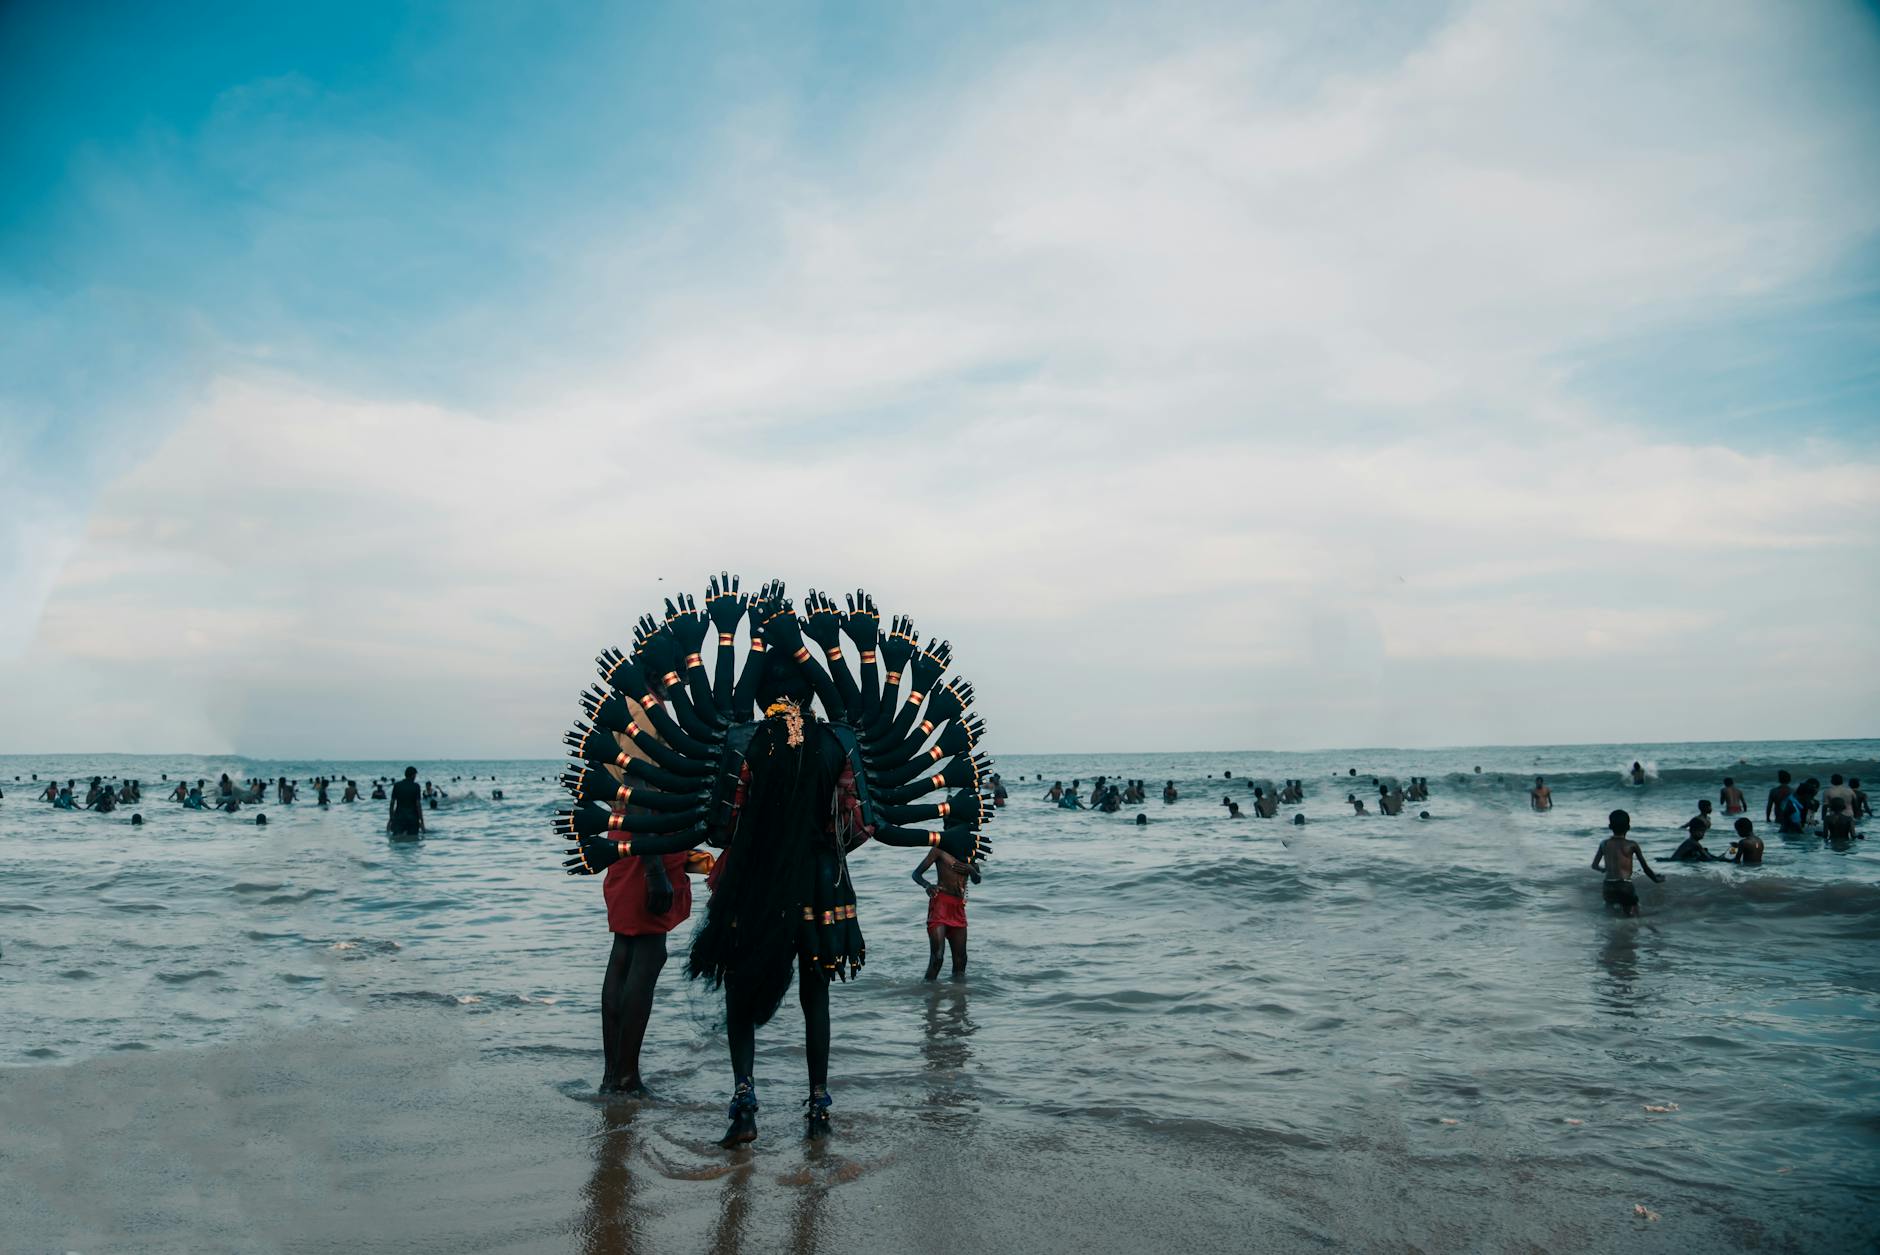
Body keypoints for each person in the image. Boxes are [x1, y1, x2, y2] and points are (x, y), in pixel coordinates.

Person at [598, 832, 694, 1096]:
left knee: (625, 953)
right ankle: (626, 1077)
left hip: (630, 845)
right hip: (648, 848)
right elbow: (641, 797)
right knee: (646, 956)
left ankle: (614, 1076)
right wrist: (654, 870)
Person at [914, 845, 980, 981]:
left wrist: (971, 870)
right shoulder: (939, 850)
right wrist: (927, 885)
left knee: (961, 960)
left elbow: (977, 880)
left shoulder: (969, 851)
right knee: (937, 958)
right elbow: (916, 874)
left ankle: (959, 996)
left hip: (958, 907)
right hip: (940, 906)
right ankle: (929, 995)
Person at [1592, 809, 1663, 916]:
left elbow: (1594, 865)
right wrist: (1656, 879)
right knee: (1633, 914)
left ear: (1610, 826)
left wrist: (1604, 869)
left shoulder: (1604, 844)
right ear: (1628, 827)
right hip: (1624, 885)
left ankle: (1609, 931)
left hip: (1608, 885)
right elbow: (1645, 868)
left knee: (1611, 914)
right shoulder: (1632, 845)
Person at [388, 766, 425, 837]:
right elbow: (418, 805)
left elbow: (392, 803)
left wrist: (391, 818)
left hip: (399, 816)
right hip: (412, 817)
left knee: (397, 839)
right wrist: (421, 821)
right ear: (413, 775)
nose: (415, 777)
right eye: (415, 775)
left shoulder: (397, 785)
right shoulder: (416, 786)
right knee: (413, 840)